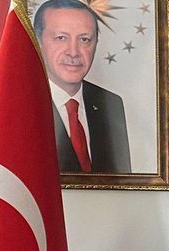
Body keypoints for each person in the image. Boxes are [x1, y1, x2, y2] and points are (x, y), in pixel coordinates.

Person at [34, 0, 130, 173]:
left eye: (84, 39)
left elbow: (120, 183)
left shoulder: (110, 104)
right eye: (61, 38)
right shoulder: (19, 106)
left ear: (95, 44)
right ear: (37, 41)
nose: (73, 52)